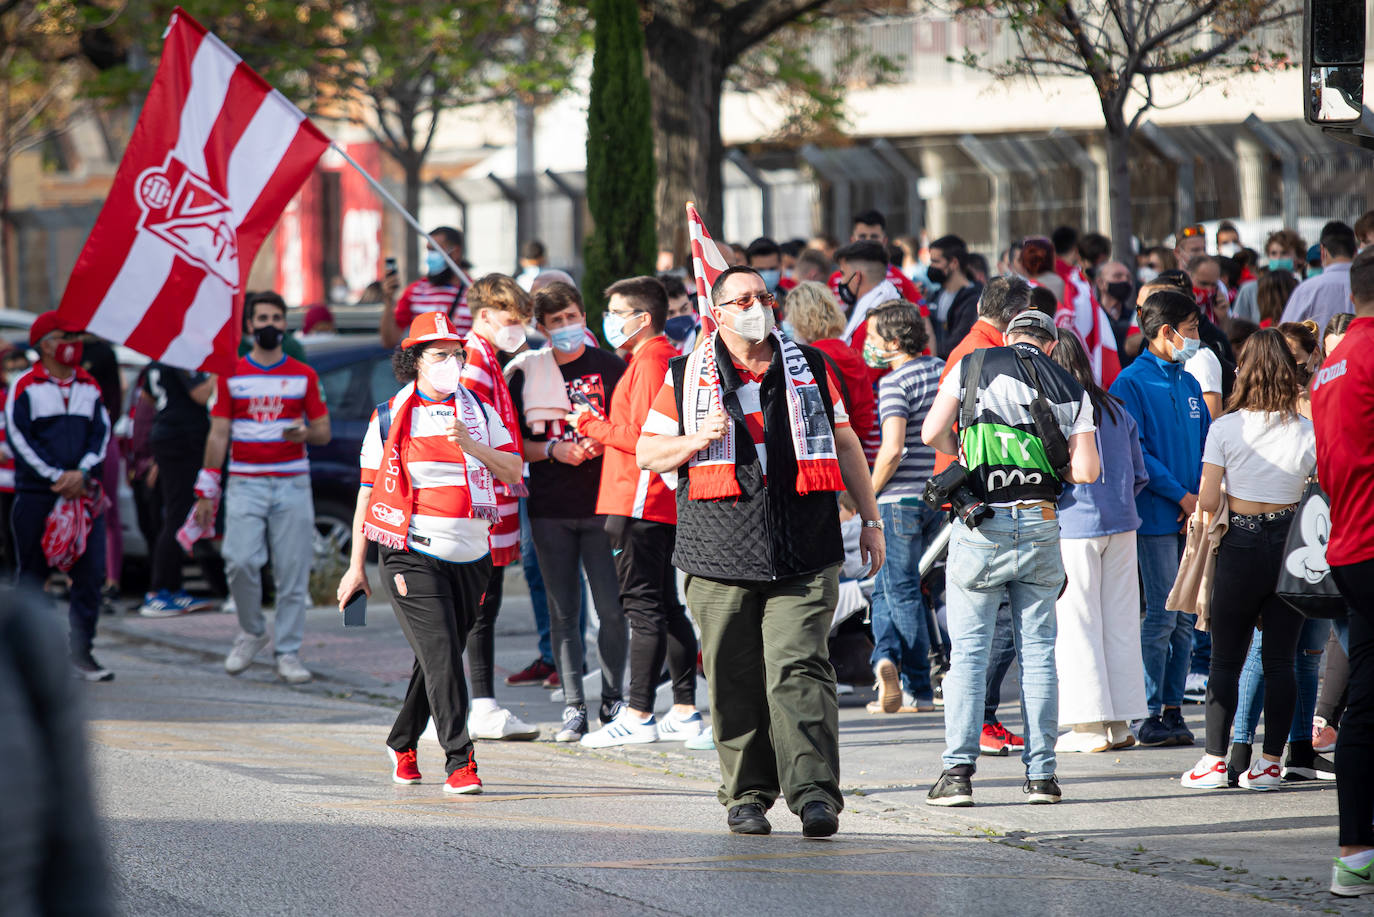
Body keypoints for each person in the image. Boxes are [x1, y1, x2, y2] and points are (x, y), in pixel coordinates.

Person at [636, 265, 885, 838]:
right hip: (718, 553)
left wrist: (870, 518)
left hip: (805, 548)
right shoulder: (683, 376)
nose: (757, 306)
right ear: (716, 312)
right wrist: (697, 439)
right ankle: (747, 793)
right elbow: (648, 453)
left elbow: (845, 441)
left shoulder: (811, 367)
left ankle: (815, 794)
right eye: (742, 299)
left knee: (799, 669)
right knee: (733, 676)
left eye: (763, 296)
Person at [336, 312, 524, 795]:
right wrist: (355, 567)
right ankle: (460, 761)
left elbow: (511, 470)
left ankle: (401, 740)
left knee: (437, 657)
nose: (451, 362)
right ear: (415, 360)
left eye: (456, 353)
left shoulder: (480, 409)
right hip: (409, 552)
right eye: (439, 354)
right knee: (442, 656)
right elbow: (366, 493)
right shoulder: (389, 414)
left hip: (471, 555)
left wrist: (475, 447)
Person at [921, 308, 1100, 806]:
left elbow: (930, 433)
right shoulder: (1070, 385)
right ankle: (1042, 776)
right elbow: (1086, 470)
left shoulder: (974, 364)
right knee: (1039, 653)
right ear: (1048, 344)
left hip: (982, 524)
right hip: (1041, 524)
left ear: (1008, 336)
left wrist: (966, 451)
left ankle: (957, 775)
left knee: (969, 656)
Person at [1179, 329, 1315, 791]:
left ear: (1244, 372)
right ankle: (1271, 764)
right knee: (1281, 661)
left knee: (1225, 660)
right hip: (1290, 547)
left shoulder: (1225, 428)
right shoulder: (1306, 431)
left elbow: (1209, 497)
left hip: (1239, 541)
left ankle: (1215, 761)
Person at [573, 276, 704, 747]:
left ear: (642, 317)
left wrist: (591, 424)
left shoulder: (652, 362)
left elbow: (647, 440)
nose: (609, 321)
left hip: (639, 499)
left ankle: (639, 712)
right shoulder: (654, 358)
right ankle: (684, 709)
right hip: (648, 500)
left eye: (615, 312)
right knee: (665, 608)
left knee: (644, 608)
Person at [506, 282, 629, 743]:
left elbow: (633, 430)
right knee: (563, 613)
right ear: (541, 327)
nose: (566, 328)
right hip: (550, 509)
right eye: (555, 322)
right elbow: (512, 444)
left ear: (585, 317)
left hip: (605, 506)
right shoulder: (524, 373)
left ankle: (614, 699)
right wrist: (555, 449)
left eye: (572, 318)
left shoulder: (609, 367)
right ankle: (574, 707)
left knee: (612, 610)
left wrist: (606, 439)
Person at [193, 293, 330, 684]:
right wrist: (207, 488)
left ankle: (287, 651)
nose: (269, 324)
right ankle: (252, 632)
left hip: (291, 482)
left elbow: (323, 430)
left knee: (292, 571)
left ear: (285, 324)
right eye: (262, 318)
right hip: (245, 483)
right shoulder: (230, 373)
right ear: (250, 326)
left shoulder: (303, 375)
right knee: (238, 561)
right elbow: (218, 434)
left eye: (276, 317)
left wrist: (304, 431)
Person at [935, 275, 1033, 752]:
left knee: (996, 619)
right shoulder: (979, 354)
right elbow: (944, 428)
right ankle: (979, 718)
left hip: (982, 491)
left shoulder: (974, 348)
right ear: (1015, 316)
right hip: (982, 495)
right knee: (996, 621)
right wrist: (973, 466)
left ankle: (979, 717)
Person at [1109, 290, 1210, 748]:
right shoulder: (1130, 383)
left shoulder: (1189, 382)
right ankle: (1147, 710)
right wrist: (1182, 496)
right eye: (1190, 330)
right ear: (1166, 332)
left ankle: (1173, 708)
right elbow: (1138, 454)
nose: (1196, 338)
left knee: (1187, 617)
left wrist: (1201, 498)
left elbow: (1208, 443)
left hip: (1194, 514)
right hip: (1155, 516)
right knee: (1163, 616)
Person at [1050, 329, 1148, 753]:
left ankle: (1088, 726)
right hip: (1124, 523)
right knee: (1122, 622)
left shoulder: (1056, 409)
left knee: (1078, 623)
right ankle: (1121, 723)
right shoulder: (1117, 409)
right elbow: (1139, 474)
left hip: (1074, 526)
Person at [1311, 246, 1374, 896]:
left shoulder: (1330, 364)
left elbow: (1328, 467)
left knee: (1364, 704)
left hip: (1350, 545)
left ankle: (1355, 853)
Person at [6, 312, 112, 681]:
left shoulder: (89, 385)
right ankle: (29, 659)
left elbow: (101, 433)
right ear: (44, 344)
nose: (72, 342)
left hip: (82, 496)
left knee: (91, 573)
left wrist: (81, 473)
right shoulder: (25, 386)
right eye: (63, 335)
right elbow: (19, 438)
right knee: (33, 576)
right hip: (38, 495)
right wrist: (55, 475)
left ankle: (81, 653)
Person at [458, 273, 540, 740]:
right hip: (483, 499)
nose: (518, 328)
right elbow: (471, 437)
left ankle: (473, 704)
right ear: (485, 315)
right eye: (512, 319)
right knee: (478, 606)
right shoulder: (474, 361)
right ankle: (480, 705)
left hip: (492, 494)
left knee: (478, 606)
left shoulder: (489, 357)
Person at [865, 302, 944, 713]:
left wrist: (867, 493)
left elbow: (892, 449)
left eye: (873, 340)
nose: (868, 346)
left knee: (901, 590)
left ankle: (917, 687)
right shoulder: (944, 369)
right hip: (939, 495)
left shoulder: (895, 383)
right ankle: (885, 660)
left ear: (894, 343)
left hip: (898, 500)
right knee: (888, 587)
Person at [138, 362, 225, 616]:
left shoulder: (158, 358)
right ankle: (159, 590)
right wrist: (220, 369)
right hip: (182, 439)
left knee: (180, 513)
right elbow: (201, 394)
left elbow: (147, 399)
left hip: (170, 436)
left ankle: (174, 587)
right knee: (178, 514)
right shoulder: (181, 356)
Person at [784, 282, 878, 462]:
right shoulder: (852, 354)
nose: (787, 322)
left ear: (801, 319)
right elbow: (865, 419)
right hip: (857, 454)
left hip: (826, 457)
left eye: (790, 315)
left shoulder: (807, 361)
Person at [380, 226, 470, 348]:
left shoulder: (473, 292)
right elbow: (389, 341)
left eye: (435, 250)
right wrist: (389, 300)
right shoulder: (415, 292)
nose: (430, 256)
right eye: (428, 250)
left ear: (456, 252)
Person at [828, 209, 926, 306]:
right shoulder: (835, 279)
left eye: (874, 236)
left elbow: (922, 317)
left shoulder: (901, 279)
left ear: (884, 241)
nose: (868, 241)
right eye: (862, 236)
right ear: (853, 240)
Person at [1282, 221, 1356, 332]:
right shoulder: (1367, 284)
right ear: (1355, 251)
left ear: (1323, 251)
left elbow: (1284, 335)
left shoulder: (1306, 290)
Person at [927, 234, 983, 358]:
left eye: (935, 262)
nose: (931, 267)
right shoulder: (935, 296)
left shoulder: (974, 299)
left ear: (953, 262)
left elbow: (958, 342)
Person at [1095, 261, 1136, 362]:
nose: (1125, 280)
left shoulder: (1135, 317)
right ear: (1101, 283)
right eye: (1118, 276)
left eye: (1128, 278)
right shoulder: (1093, 316)